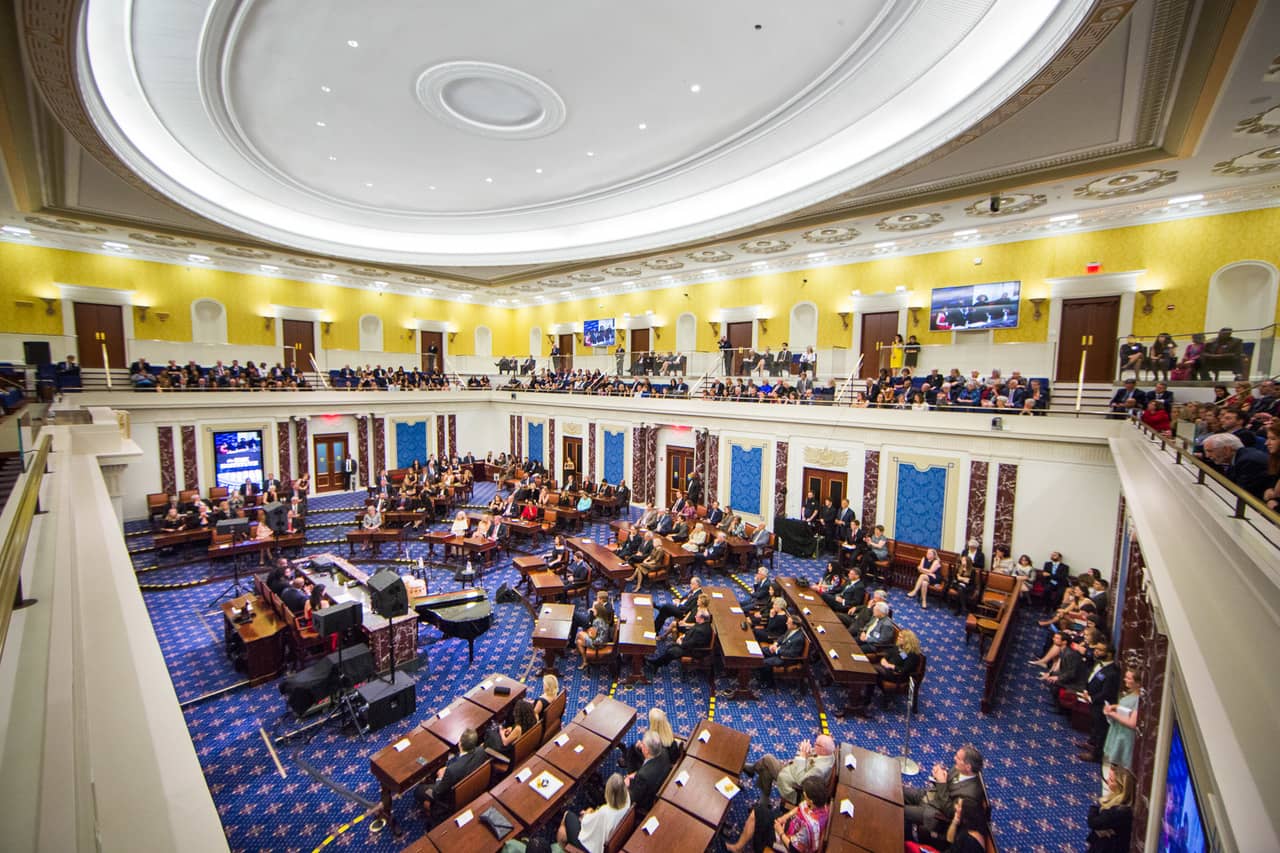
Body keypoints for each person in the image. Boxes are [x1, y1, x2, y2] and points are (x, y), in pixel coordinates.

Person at [725, 775, 830, 853]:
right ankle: (739, 847)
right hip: (789, 825)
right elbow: (800, 807)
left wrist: (780, 831)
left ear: (811, 800)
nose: (803, 796)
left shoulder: (809, 826)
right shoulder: (821, 805)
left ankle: (738, 848)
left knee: (757, 817)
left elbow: (793, 849)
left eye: (805, 795)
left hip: (785, 842)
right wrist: (785, 816)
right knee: (757, 811)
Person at [903, 745, 985, 838]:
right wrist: (938, 776)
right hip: (929, 795)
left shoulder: (970, 796)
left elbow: (950, 812)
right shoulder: (958, 768)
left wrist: (941, 783)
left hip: (935, 813)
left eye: (958, 758)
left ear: (968, 767)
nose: (954, 758)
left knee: (901, 811)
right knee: (898, 793)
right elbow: (946, 783)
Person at [742, 734, 835, 807]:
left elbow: (801, 782)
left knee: (767, 760)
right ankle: (764, 799)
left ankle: (753, 770)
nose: (814, 745)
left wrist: (802, 756)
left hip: (793, 786)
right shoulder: (828, 754)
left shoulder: (820, 769)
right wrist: (804, 753)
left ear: (823, 750)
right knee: (766, 766)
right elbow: (811, 757)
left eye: (816, 744)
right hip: (792, 770)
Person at [415, 728, 486, 816]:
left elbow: (438, 792)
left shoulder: (451, 771)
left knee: (418, 790)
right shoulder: (481, 751)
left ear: (460, 744)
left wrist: (440, 777)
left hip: (451, 797)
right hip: (473, 786)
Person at [557, 772, 630, 853]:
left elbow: (586, 824)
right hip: (615, 836)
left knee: (567, 816)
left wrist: (586, 814)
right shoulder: (627, 799)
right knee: (590, 810)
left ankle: (564, 849)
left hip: (594, 846)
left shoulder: (605, 812)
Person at [1101, 669, 1140, 789]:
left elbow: (1133, 722)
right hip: (1119, 731)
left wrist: (1112, 714)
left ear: (1138, 683)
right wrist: (1114, 707)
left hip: (1125, 735)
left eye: (1129, 678)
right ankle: (1111, 783)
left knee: (1118, 765)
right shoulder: (1132, 693)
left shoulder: (1139, 699)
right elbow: (1126, 708)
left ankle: (1114, 787)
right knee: (1114, 763)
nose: (1125, 680)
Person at [1203, 433, 1272, 498]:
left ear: (1227, 450)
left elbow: (1242, 494)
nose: (1207, 456)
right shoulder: (1240, 457)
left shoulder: (1248, 462)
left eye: (1210, 451)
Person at [1086, 767, 1135, 853]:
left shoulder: (1120, 811)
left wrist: (1094, 809)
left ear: (1121, 787)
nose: (1107, 780)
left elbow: (1093, 822)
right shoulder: (1118, 800)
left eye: (1111, 780)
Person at [645, 610, 712, 672]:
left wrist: (680, 642)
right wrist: (683, 636)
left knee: (672, 651)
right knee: (670, 647)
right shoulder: (702, 624)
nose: (695, 616)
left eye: (696, 616)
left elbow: (690, 644)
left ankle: (655, 664)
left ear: (702, 618)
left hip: (693, 650)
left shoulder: (700, 631)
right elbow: (691, 632)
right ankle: (657, 663)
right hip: (688, 644)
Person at [625, 730, 672, 813]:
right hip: (657, 778)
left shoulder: (643, 776)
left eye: (642, 744)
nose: (640, 743)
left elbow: (634, 798)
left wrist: (627, 784)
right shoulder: (664, 752)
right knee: (633, 749)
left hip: (647, 801)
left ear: (646, 750)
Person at [624, 707, 682, 772]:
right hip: (666, 759)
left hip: (657, 761)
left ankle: (630, 770)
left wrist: (642, 745)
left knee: (633, 748)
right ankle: (626, 759)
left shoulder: (655, 738)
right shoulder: (667, 729)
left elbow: (651, 753)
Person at [486, 699, 537, 763]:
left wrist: (501, 732)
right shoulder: (535, 718)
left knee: (490, 732)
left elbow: (505, 743)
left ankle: (486, 750)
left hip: (509, 753)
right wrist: (511, 729)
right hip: (524, 746)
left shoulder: (518, 728)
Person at [875, 628, 922, 697]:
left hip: (897, 675)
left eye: (900, 637)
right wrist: (884, 659)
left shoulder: (912, 654)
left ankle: (867, 697)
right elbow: (890, 653)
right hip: (887, 669)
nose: (898, 638)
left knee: (874, 670)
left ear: (907, 640)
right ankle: (867, 695)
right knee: (873, 671)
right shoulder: (899, 646)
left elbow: (904, 670)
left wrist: (890, 666)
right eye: (898, 636)